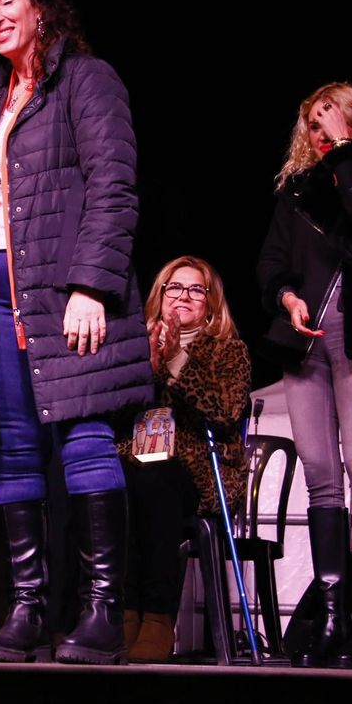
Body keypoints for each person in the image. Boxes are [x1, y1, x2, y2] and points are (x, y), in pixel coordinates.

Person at [0, 0, 152, 665]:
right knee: (13, 448)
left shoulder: (87, 80)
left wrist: (92, 285)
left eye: (8, 1)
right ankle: (29, 610)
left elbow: (114, 184)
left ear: (41, 6)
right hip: (2, 294)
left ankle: (100, 615)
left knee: (84, 439)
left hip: (67, 289)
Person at [257, 83, 352, 668]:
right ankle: (331, 617)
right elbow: (271, 259)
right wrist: (287, 295)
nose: (322, 134)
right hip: (306, 344)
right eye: (314, 126)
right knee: (321, 475)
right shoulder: (296, 191)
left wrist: (349, 153)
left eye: (331, 121)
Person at [118, 257, 251, 663]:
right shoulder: (132, 346)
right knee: (112, 482)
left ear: (210, 304)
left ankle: (158, 618)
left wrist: (177, 361)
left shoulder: (228, 350)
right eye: (174, 288)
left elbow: (226, 410)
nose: (184, 296)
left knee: (156, 479)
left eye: (196, 289)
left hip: (200, 471)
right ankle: (121, 614)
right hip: (139, 461)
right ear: (159, 296)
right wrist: (145, 365)